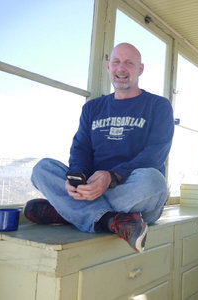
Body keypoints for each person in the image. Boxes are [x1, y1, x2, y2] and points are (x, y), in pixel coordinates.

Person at [23, 43, 174, 253]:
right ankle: (110, 220)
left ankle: (66, 213)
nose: (121, 68)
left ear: (140, 69)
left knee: (155, 181)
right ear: (108, 66)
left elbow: (154, 155)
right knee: (42, 169)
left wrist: (111, 177)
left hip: (133, 191)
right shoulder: (92, 108)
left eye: (129, 63)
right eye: (116, 62)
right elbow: (81, 149)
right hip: (93, 189)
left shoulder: (159, 105)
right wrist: (76, 178)